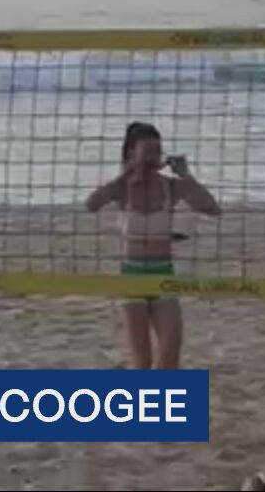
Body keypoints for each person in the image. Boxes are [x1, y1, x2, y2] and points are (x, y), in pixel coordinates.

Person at [84, 121, 221, 369]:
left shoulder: (170, 186)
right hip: (132, 276)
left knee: (170, 354)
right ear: (131, 153)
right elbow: (91, 204)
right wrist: (125, 174)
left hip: (163, 274)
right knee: (142, 362)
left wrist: (186, 176)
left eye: (157, 151)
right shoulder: (122, 187)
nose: (153, 158)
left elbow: (212, 208)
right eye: (147, 152)